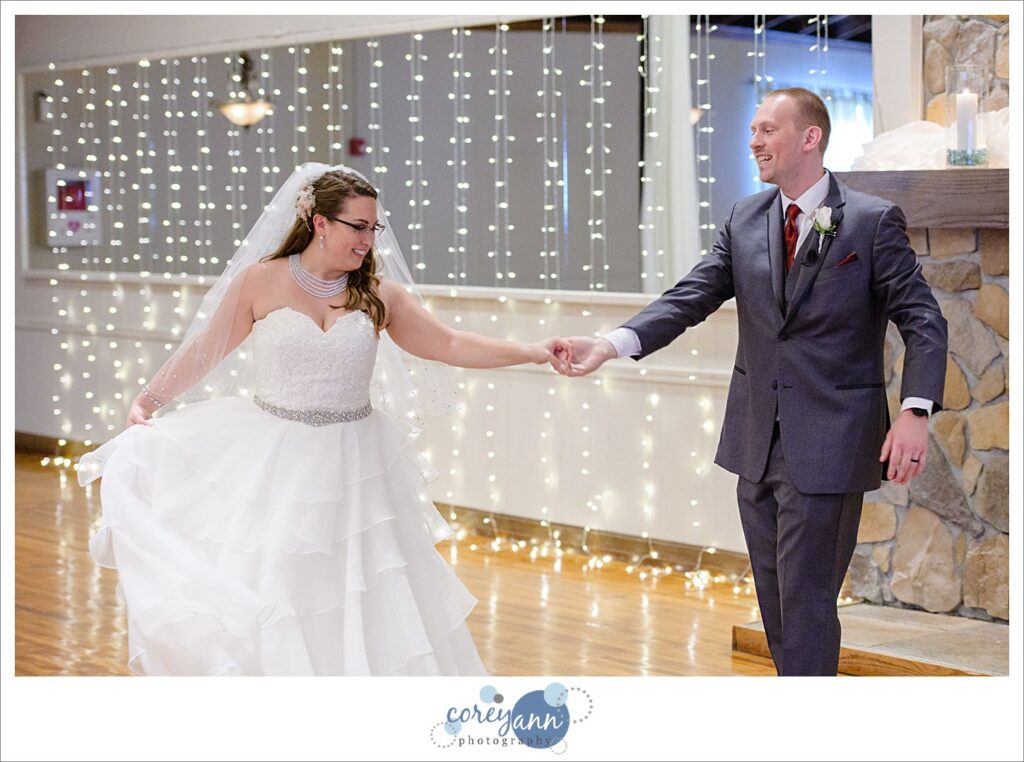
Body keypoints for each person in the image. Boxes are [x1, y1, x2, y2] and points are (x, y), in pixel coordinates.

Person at [78, 163, 571, 676]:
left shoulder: (380, 292)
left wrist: (533, 351)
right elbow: (207, 350)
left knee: (364, 588)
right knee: (283, 581)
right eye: (358, 227)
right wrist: (148, 398)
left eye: (373, 228)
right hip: (276, 462)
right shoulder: (260, 281)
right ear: (319, 223)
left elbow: (448, 343)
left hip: (357, 465)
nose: (369, 239)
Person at [558, 88, 948, 676]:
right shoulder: (745, 217)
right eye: (754, 130)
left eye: (767, 129)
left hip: (831, 441)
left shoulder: (870, 222)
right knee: (775, 601)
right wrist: (613, 343)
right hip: (754, 442)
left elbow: (923, 318)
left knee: (809, 601)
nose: (754, 141)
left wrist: (916, 411)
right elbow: (691, 296)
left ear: (810, 137)